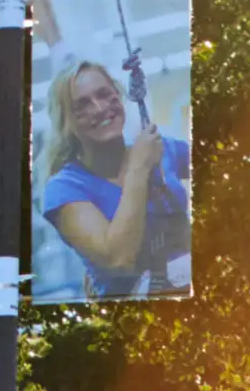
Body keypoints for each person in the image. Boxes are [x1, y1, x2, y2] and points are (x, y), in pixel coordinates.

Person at [39, 57, 193, 298]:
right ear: (66, 123)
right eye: (82, 106)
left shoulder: (162, 149)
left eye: (104, 94)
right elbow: (119, 259)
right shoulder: (64, 188)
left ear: (119, 96)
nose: (100, 109)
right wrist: (139, 169)